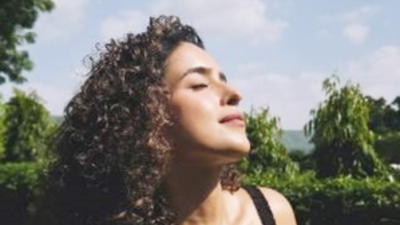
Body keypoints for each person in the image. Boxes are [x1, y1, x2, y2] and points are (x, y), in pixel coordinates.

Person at [38, 15, 297, 225]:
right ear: (146, 115)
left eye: (223, 79)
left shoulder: (273, 212)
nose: (234, 94)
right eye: (199, 84)